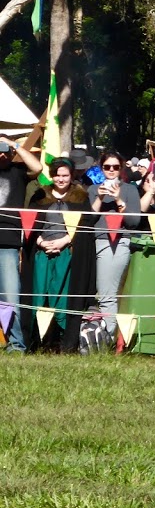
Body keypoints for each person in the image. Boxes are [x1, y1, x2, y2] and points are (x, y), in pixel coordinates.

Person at [21, 158, 96, 353]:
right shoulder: (39, 195)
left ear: (71, 176)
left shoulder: (80, 197)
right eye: (57, 175)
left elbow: (85, 226)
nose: (61, 179)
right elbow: (29, 224)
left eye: (65, 175)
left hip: (66, 254)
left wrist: (65, 241)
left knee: (61, 298)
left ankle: (61, 344)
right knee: (39, 296)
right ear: (52, 175)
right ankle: (37, 343)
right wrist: (40, 242)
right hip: (41, 254)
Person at [88, 151, 155, 339]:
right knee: (92, 293)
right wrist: (100, 198)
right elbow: (88, 219)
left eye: (115, 167)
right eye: (107, 167)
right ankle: (95, 334)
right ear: (101, 168)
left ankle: (109, 337)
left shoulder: (129, 190)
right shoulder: (92, 189)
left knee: (107, 294)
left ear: (121, 168)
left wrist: (119, 199)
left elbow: (134, 222)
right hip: (92, 242)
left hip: (117, 244)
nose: (111, 170)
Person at [0, 136, 42, 352]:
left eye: (5, 151)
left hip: (7, 243)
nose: (2, 154)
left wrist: (14, 144)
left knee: (11, 296)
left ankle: (17, 344)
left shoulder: (17, 170)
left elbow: (38, 167)